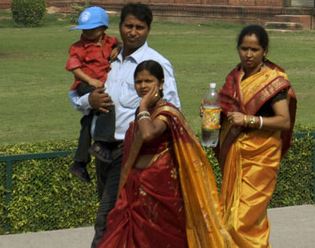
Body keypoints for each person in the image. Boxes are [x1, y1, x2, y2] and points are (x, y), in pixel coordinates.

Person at [75, 3, 181, 248]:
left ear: (148, 30)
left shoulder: (155, 64)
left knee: (106, 219)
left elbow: (171, 108)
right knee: (119, 219)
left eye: (140, 27)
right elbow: (76, 96)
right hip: (101, 149)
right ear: (119, 27)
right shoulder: (104, 58)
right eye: (128, 26)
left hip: (130, 152)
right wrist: (87, 101)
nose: (133, 32)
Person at [98, 59, 232, 248]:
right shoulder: (143, 111)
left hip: (160, 190)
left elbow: (148, 133)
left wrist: (143, 106)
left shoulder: (166, 112)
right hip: (135, 187)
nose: (143, 86)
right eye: (138, 82)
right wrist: (143, 108)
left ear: (160, 83)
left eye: (148, 81)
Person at [217, 25, 297, 248]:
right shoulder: (234, 78)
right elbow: (227, 113)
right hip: (236, 153)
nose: (249, 54)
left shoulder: (274, 81)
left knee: (241, 222)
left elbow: (284, 121)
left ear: (265, 51)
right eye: (244, 48)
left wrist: (250, 120)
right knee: (227, 218)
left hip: (261, 158)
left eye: (254, 49)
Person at [66, 6, 120, 183]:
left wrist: (117, 49)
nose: (87, 32)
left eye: (92, 29)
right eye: (85, 29)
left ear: (103, 29)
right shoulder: (79, 47)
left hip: (96, 84)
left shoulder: (109, 41)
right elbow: (73, 67)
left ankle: (79, 163)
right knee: (106, 104)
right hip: (84, 85)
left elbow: (118, 43)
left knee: (88, 123)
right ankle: (102, 144)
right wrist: (90, 81)